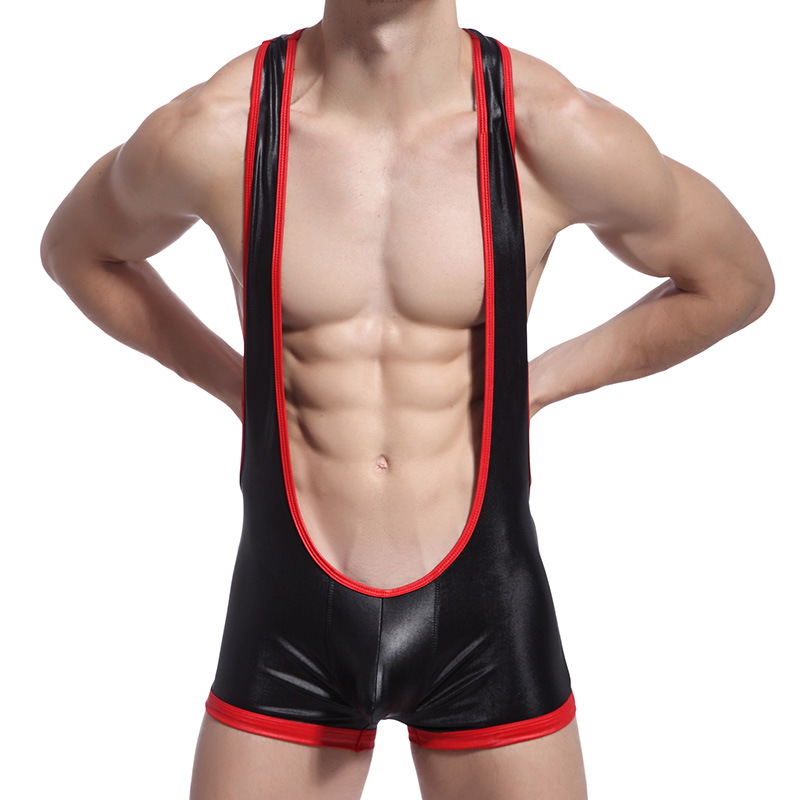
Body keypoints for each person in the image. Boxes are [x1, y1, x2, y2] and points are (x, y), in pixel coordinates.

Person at [40, 1, 774, 798]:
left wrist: (534, 385)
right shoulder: (218, 130)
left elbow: (735, 282)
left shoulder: (550, 131)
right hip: (287, 617)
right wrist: (238, 386)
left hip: (486, 610)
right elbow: (76, 250)